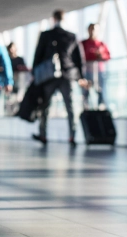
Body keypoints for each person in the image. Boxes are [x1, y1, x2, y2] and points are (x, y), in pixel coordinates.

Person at [32, 10, 87, 146]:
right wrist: (81, 77)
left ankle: (43, 134)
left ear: (54, 19)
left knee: (45, 107)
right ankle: (72, 136)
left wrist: (35, 74)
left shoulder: (46, 35)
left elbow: (38, 55)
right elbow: (79, 59)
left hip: (48, 76)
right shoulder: (71, 36)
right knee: (70, 107)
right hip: (68, 75)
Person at [80, 23, 110, 108]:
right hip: (86, 72)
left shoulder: (101, 44)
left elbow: (108, 56)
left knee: (101, 92)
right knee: (85, 92)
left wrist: (101, 56)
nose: (93, 31)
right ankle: (86, 110)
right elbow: (79, 57)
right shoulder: (83, 43)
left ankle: (101, 108)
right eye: (91, 29)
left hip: (99, 72)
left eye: (94, 29)